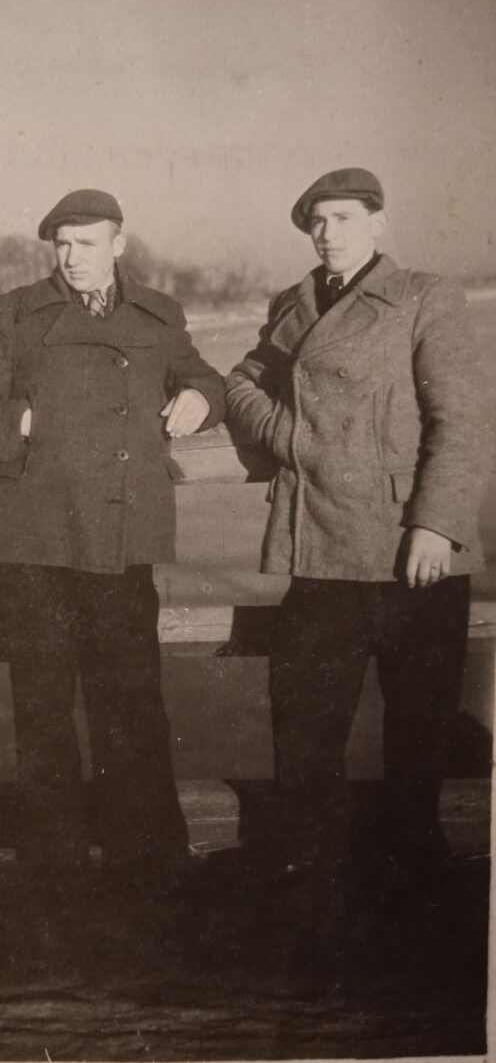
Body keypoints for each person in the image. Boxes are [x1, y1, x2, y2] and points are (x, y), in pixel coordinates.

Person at [0, 188, 224, 875]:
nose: (72, 257)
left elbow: (202, 375)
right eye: (62, 244)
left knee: (132, 698)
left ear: (119, 244)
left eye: (87, 243)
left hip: (121, 534)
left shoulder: (159, 312)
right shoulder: (12, 312)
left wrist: (201, 397)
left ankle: (146, 853)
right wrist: (28, 420)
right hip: (34, 537)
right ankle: (53, 856)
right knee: (43, 703)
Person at [225, 168, 486, 877]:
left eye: (343, 218)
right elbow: (241, 383)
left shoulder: (424, 296)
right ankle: (313, 885)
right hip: (319, 550)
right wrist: (285, 435)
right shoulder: (295, 304)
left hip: (411, 552)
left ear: (377, 224)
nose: (327, 233)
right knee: (305, 734)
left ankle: (414, 887)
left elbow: (462, 420)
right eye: (317, 221)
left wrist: (436, 523)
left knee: (418, 738)